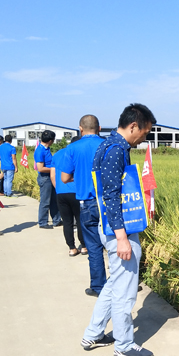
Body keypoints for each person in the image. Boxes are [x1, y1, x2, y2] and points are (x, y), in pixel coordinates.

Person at [80, 103, 156, 356]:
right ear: (133, 126)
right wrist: (122, 238)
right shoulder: (115, 150)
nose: (144, 137)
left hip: (110, 226)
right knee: (125, 290)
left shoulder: (109, 144)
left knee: (114, 284)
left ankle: (93, 333)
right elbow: (112, 196)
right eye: (145, 132)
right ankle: (124, 345)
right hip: (118, 231)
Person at [60, 115, 107, 296]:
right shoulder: (108, 145)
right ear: (99, 128)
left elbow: (64, 178)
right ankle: (121, 284)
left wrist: (80, 176)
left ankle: (98, 286)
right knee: (115, 244)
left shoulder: (72, 148)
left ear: (80, 129)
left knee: (93, 247)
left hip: (87, 203)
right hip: (108, 201)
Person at [51, 138, 86, 256]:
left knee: (67, 222)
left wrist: (58, 189)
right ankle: (84, 246)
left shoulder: (57, 154)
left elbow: (52, 176)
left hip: (61, 193)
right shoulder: (78, 153)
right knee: (80, 219)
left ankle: (72, 248)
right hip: (77, 192)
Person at [34, 130, 62, 229]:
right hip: (45, 178)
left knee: (54, 200)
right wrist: (54, 169)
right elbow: (40, 168)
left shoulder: (46, 149)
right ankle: (42, 222)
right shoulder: (40, 151)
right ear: (50, 140)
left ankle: (56, 220)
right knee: (45, 201)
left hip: (51, 176)